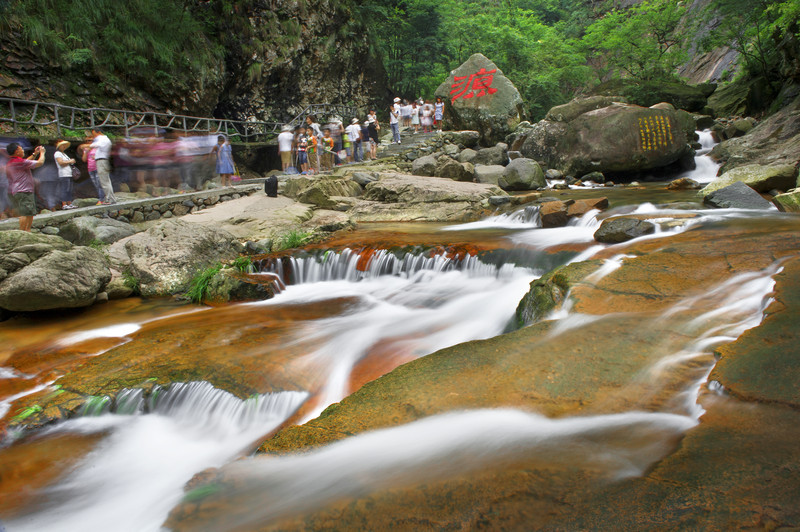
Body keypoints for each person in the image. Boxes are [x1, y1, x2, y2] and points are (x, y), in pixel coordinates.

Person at [5, 142, 45, 231]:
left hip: (19, 191)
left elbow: (27, 162)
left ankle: (27, 230)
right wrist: (42, 153)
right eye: (21, 149)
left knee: (29, 212)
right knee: (25, 213)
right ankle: (23, 232)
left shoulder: (13, 162)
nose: (23, 150)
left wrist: (35, 154)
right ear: (16, 151)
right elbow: (40, 163)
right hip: (23, 191)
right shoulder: (18, 162)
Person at [89, 127, 117, 204]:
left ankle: (110, 199)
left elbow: (95, 145)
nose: (93, 136)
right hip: (101, 160)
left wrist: (88, 145)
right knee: (106, 181)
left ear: (98, 132)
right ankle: (110, 198)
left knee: (104, 181)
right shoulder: (103, 139)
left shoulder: (103, 139)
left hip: (102, 161)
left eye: (93, 133)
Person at [54, 140, 76, 209]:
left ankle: (69, 203)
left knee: (69, 189)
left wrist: (71, 162)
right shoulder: (57, 153)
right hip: (63, 174)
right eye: (62, 145)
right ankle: (64, 204)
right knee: (64, 189)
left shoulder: (64, 154)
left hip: (68, 173)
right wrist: (70, 161)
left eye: (65, 145)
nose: (64, 146)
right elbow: (61, 163)